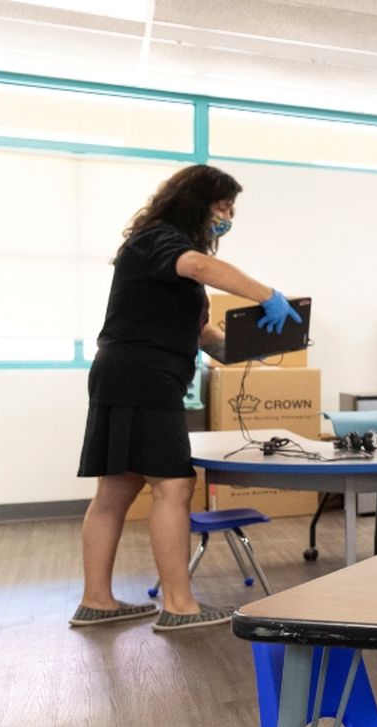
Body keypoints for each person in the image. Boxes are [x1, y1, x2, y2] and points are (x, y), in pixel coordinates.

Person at [72, 164, 301, 632]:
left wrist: (248, 347)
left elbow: (200, 335)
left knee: (118, 487)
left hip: (128, 372)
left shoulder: (163, 256)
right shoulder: (161, 241)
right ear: (195, 203)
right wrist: (268, 294)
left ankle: (96, 601)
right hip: (143, 375)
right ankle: (179, 605)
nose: (227, 216)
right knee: (173, 485)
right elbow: (199, 265)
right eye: (222, 206)